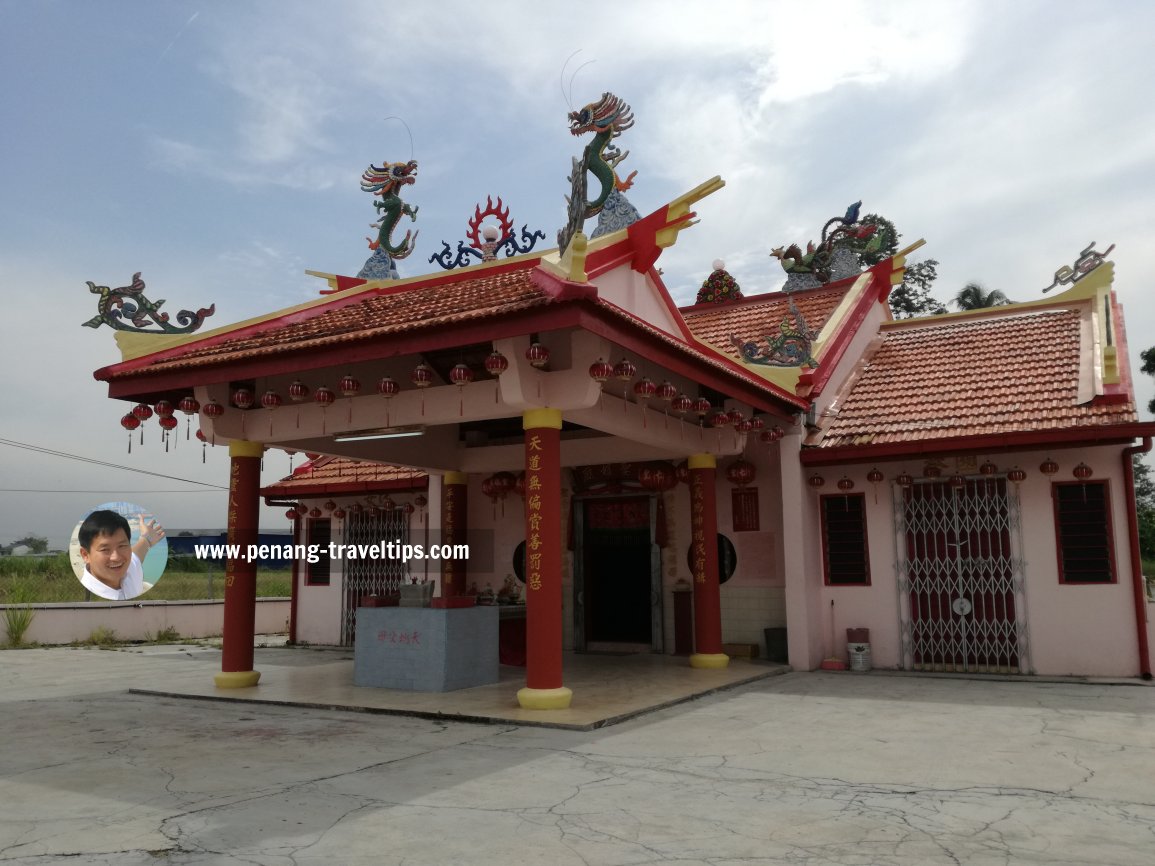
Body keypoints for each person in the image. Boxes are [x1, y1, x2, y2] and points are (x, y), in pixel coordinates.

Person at [78, 510, 165, 601]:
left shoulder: (129, 569)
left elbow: (137, 553)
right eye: (105, 549)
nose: (116, 557)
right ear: (85, 555)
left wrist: (147, 539)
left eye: (122, 546)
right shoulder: (87, 596)